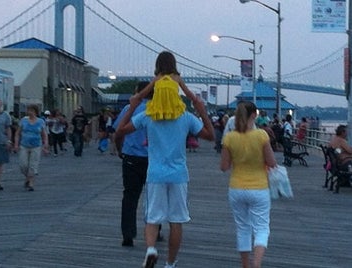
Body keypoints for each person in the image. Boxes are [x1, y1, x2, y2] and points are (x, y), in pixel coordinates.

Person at [114, 51, 214, 268]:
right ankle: (170, 263)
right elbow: (211, 135)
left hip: (156, 174)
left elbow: (120, 130)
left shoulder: (148, 115)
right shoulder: (185, 117)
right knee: (176, 221)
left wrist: (135, 102)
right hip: (178, 175)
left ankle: (151, 249)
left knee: (153, 218)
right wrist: (199, 107)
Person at [220, 101, 277, 268]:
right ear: (254, 115)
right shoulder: (261, 136)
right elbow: (272, 162)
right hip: (259, 188)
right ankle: (256, 264)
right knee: (261, 228)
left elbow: (224, 167)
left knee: (243, 228)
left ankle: (245, 265)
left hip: (237, 187)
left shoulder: (229, 137)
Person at [113, 82, 163, 247]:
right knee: (155, 197)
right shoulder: (160, 110)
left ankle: (128, 234)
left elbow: (118, 132)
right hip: (154, 159)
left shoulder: (129, 109)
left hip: (131, 158)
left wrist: (120, 150)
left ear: (136, 92)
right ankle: (156, 230)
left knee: (130, 197)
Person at [14, 104, 49, 192]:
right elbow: (18, 133)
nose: (30, 112)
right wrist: (16, 144)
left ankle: (31, 182)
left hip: (36, 145)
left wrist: (45, 145)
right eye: (28, 110)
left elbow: (44, 134)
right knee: (23, 165)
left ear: (36, 112)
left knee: (33, 165)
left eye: (32, 111)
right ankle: (28, 177)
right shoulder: (23, 121)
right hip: (24, 145)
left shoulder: (40, 121)